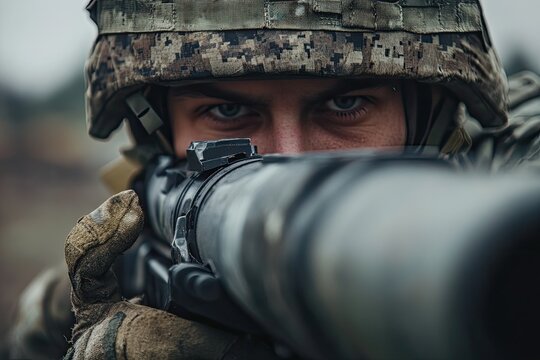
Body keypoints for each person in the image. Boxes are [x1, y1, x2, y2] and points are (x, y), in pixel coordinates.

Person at [8, 0, 540, 359]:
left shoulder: (505, 223)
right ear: (157, 132)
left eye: (346, 103)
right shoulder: (104, 280)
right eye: (225, 111)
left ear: (433, 120)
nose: (289, 157)